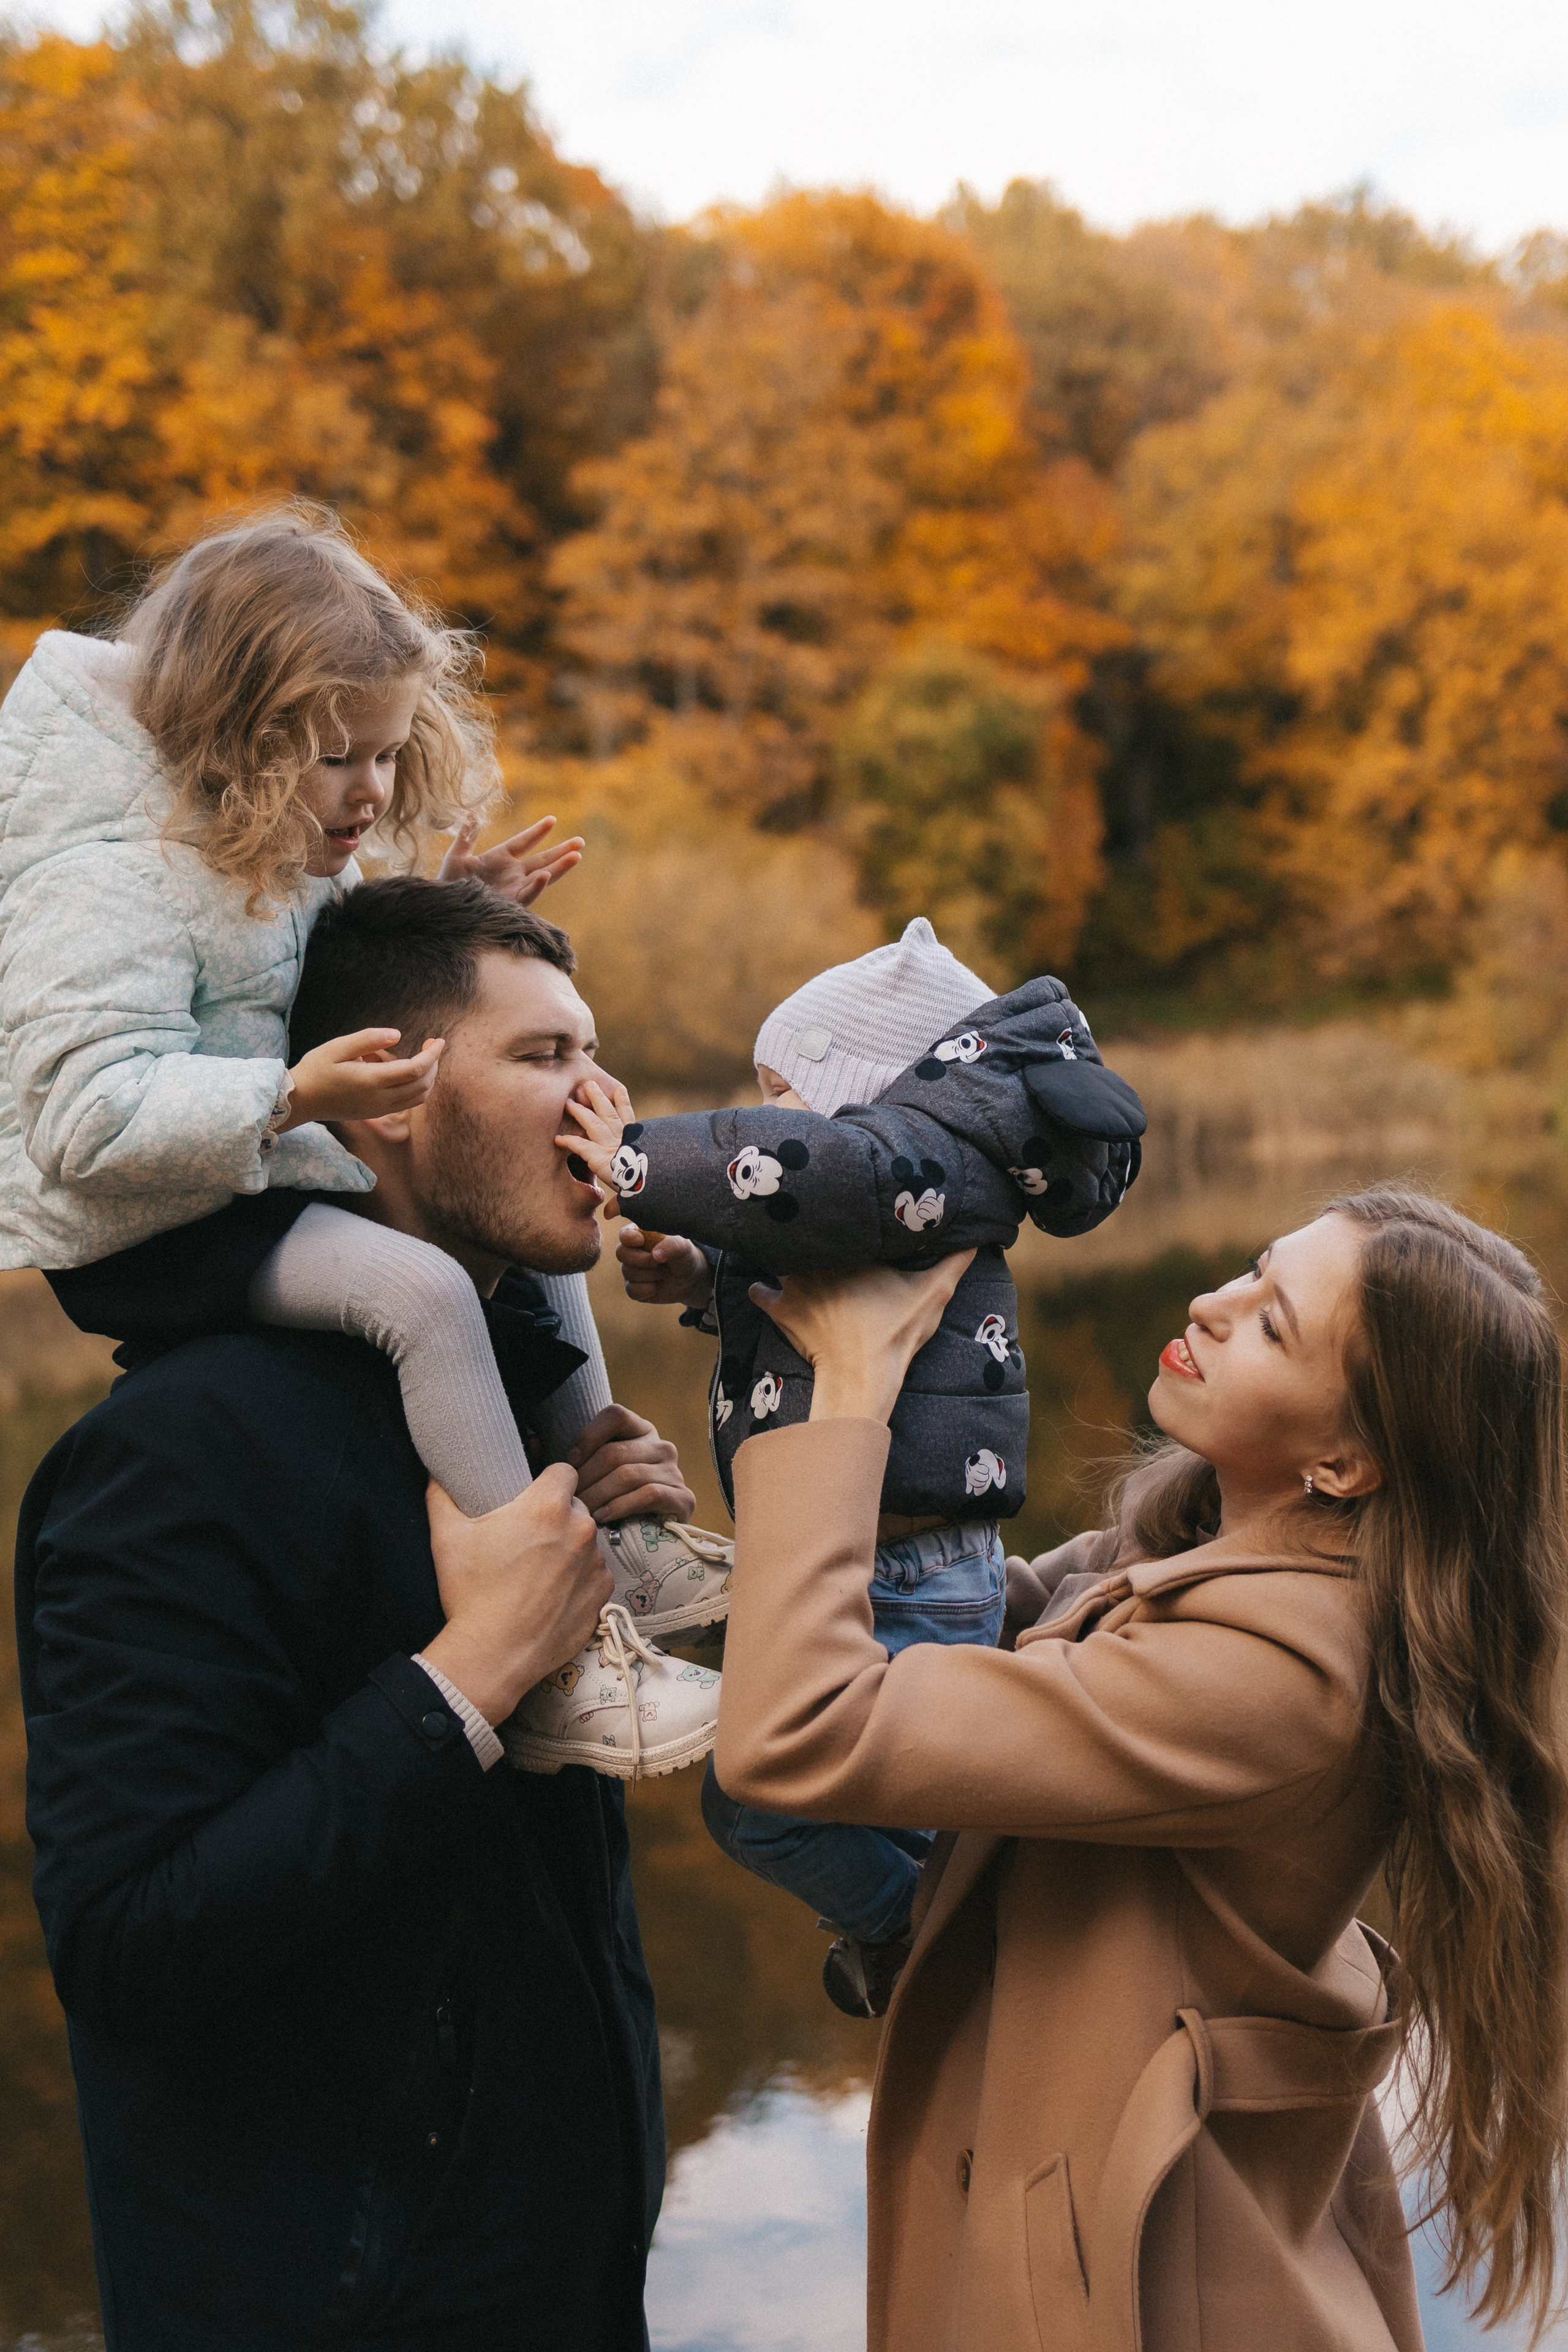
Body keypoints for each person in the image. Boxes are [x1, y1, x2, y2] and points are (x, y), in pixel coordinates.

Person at [17, 875, 709, 2350]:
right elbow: (129, 1953)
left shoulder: (514, 1420)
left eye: (593, 1053)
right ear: (386, 1099)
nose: (600, 1099)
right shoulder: (173, 1459)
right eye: (540, 1058)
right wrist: (468, 1674)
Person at [711, 1191, 1568, 2350]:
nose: (1215, 1305)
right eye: (1255, 1269)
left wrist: (853, 1393)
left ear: (1348, 1460)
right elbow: (970, 1635)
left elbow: (802, 1727)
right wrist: (683, 1567)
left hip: (1156, 2294)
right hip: (1083, 2230)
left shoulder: (1285, 1678)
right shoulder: (1204, 1549)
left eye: (1274, 1326)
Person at [2, 507, 725, 1769]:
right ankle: (545, 1649)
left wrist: (456, 910)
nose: (372, 793)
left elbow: (340, 968)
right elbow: (79, 1119)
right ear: (241, 732)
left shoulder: (270, 834)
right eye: (342, 760)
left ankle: (610, 1534)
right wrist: (282, 1100)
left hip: (256, 1164)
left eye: (390, 757)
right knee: (425, 1290)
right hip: (145, 1222)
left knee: (542, 1241)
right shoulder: (108, 875)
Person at [560, 918, 1145, 2012]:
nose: (771, 1116)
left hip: (905, 1567)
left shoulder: (921, 1168)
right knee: (832, 1794)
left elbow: (808, 1182)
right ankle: (932, 1922)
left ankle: (927, 1934)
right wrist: (701, 1273)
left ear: (865, 1093)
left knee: (764, 1802)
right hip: (888, 1559)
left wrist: (638, 1158)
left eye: (784, 1093)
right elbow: (812, 1259)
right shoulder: (898, 1186)